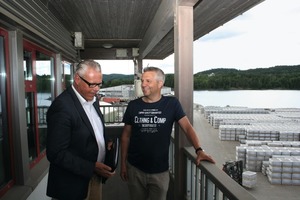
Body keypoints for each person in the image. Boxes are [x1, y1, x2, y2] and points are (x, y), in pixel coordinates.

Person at [120, 66, 215, 200]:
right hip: (135, 169)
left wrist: (199, 150)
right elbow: (126, 136)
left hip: (160, 171)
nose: (143, 84)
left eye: (148, 81)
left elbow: (187, 127)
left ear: (160, 84)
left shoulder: (172, 104)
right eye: (142, 81)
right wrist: (123, 164)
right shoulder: (133, 105)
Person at [46, 60, 115, 200]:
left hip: (94, 178)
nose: (96, 89)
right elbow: (55, 153)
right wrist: (91, 167)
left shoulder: (92, 100)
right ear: (77, 79)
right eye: (92, 84)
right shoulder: (62, 107)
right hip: (72, 186)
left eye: (99, 84)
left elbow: (92, 128)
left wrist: (104, 141)